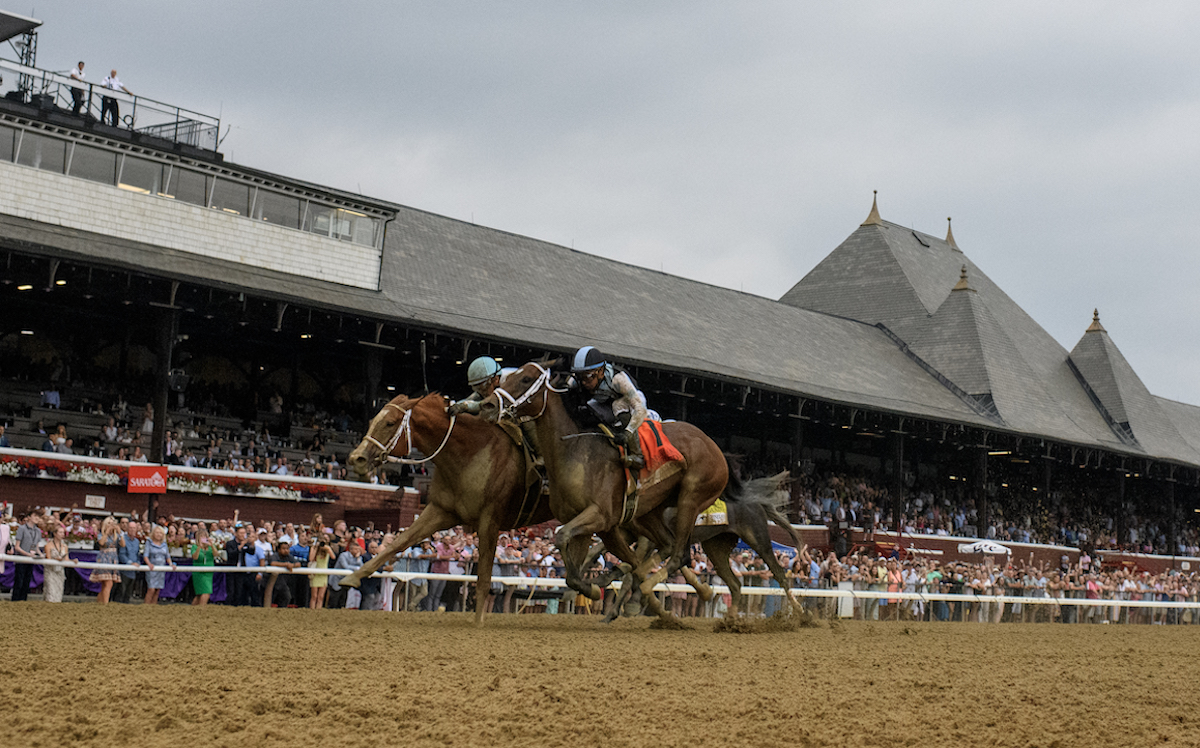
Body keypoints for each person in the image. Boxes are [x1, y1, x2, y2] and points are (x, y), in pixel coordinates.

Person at [568, 346, 651, 469]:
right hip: (605, 402)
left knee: (617, 405)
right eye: (580, 377)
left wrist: (627, 433)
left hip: (632, 403)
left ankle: (637, 455)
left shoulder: (618, 380)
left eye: (588, 377)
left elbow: (640, 408)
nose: (584, 382)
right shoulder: (575, 381)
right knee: (587, 408)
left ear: (601, 371)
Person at [447, 356, 512, 415]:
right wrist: (457, 404)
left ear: (495, 380)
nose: (482, 394)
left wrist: (465, 407)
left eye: (483, 389)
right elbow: (476, 396)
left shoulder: (509, 382)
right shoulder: (493, 378)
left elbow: (490, 404)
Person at [11, 511, 44, 602]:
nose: (37, 518)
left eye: (38, 516)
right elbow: (17, 547)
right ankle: (15, 601)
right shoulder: (21, 528)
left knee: (26, 582)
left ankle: (23, 601)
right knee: (19, 582)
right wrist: (28, 554)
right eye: (35, 516)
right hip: (21, 559)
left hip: (31, 560)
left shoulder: (37, 531)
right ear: (29, 517)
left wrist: (40, 555)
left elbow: (36, 547)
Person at [92, 516, 124, 605]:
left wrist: (120, 533)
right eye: (109, 523)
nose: (111, 525)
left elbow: (123, 544)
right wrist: (106, 532)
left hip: (113, 558)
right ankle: (105, 604)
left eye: (112, 523)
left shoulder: (115, 536)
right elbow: (101, 543)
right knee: (108, 583)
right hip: (104, 559)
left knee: (105, 585)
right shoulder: (101, 534)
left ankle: (99, 603)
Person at [142, 525, 175, 605]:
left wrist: (171, 564)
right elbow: (145, 555)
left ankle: (153, 607)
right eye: (157, 532)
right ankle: (146, 607)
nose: (159, 534)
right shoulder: (149, 542)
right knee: (151, 589)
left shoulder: (164, 544)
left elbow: (167, 556)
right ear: (153, 533)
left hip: (161, 569)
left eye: (160, 533)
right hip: (152, 568)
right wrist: (149, 564)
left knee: (158, 590)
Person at [41, 522, 71, 603]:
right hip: (50, 572)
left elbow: (67, 560)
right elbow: (48, 559)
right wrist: (56, 560)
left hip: (60, 572)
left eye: (63, 533)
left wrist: (72, 561)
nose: (62, 534)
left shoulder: (65, 546)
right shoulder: (48, 545)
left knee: (58, 592)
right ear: (55, 533)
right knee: (50, 592)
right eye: (60, 532)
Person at [116, 520, 141, 603]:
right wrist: (130, 563)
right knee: (121, 592)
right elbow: (121, 555)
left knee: (128, 593)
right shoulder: (123, 540)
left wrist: (137, 563)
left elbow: (137, 555)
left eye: (134, 528)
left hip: (133, 572)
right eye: (130, 528)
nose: (132, 530)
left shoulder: (137, 541)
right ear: (127, 529)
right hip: (124, 571)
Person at [189, 527, 215, 606]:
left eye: (205, 536)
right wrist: (199, 547)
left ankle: (192, 610)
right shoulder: (194, 547)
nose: (204, 538)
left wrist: (212, 545)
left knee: (200, 594)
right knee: (206, 592)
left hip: (209, 573)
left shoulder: (210, 547)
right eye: (202, 537)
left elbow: (216, 555)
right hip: (199, 573)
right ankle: (201, 610)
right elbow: (195, 557)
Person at [308, 539, 335, 609]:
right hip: (315, 575)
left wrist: (327, 547)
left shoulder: (327, 550)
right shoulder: (314, 549)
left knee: (321, 596)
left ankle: (318, 611)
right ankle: (312, 611)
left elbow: (333, 557)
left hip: (323, 575)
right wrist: (316, 548)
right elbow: (311, 558)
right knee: (314, 596)